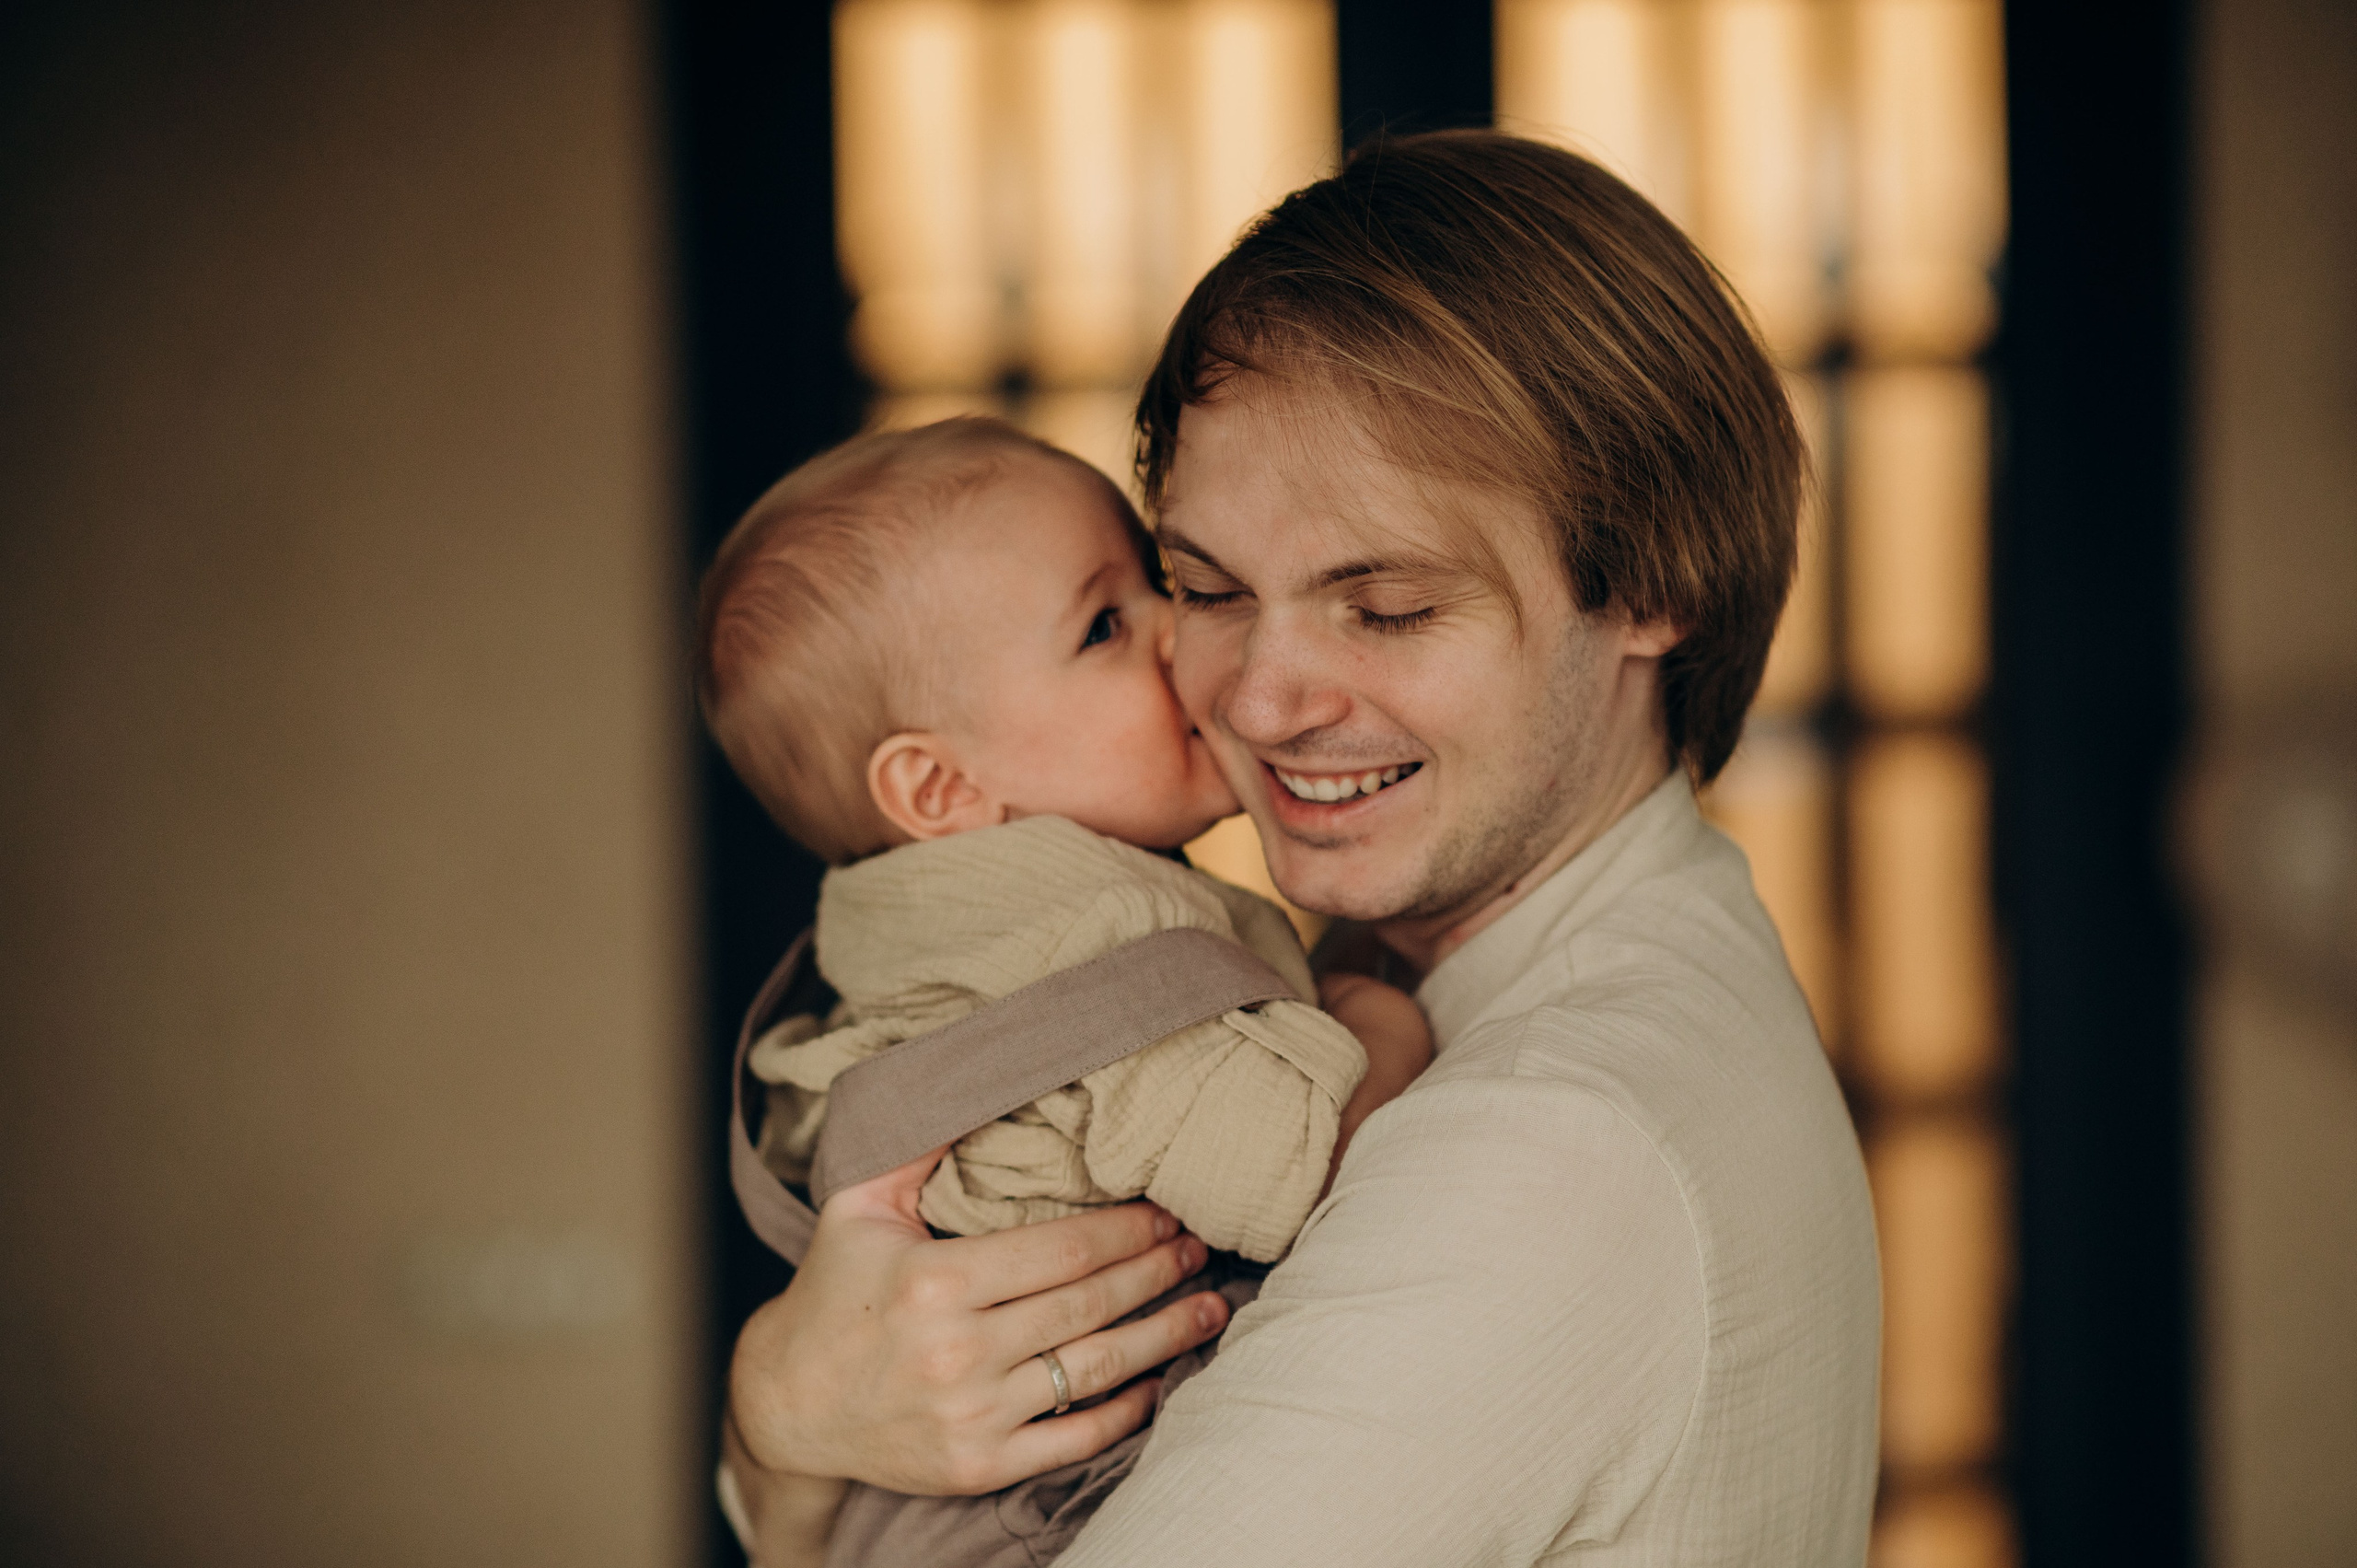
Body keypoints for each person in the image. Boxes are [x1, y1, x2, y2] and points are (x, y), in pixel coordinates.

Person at [723, 130, 1882, 1566]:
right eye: (1201, 585)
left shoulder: (1546, 1141)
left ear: (1650, 585)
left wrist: (783, 1446)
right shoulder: (1381, 957)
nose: (1256, 700)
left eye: (1386, 604)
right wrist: (790, 1419)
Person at [695, 415, 1435, 1564]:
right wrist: (1379, 1002)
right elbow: (1315, 1171)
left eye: (1158, 580)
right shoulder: (1092, 937)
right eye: (1103, 624)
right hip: (1042, 1517)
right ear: (940, 785)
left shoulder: (891, 938)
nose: (1182, 634)